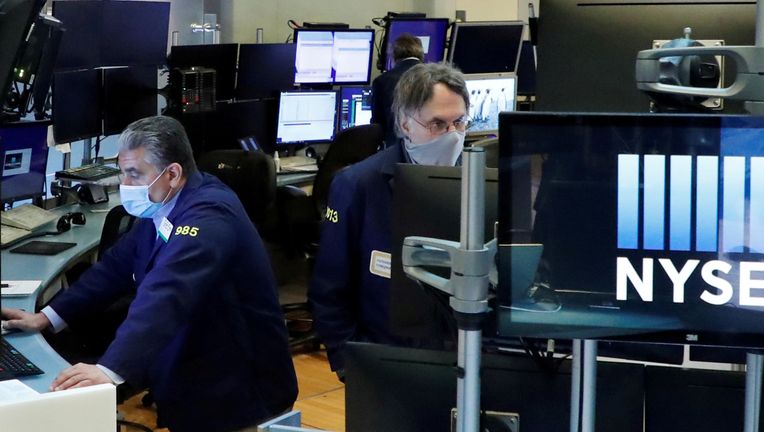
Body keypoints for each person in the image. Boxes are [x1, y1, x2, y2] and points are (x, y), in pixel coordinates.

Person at [1, 116, 297, 432]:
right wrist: (47, 317)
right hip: (192, 372)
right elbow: (115, 267)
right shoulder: (164, 205)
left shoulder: (209, 215)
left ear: (172, 173)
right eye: (123, 173)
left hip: (240, 388)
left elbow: (166, 294)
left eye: (134, 174)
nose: (125, 185)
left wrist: (110, 370)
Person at [309, 63, 470, 377]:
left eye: (459, 122)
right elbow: (329, 289)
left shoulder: (482, 181)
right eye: (437, 124)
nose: (451, 136)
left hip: (464, 359)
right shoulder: (357, 186)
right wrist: (349, 364)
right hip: (384, 361)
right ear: (405, 124)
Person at [371, 33, 424, 148]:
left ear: (394, 57)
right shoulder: (437, 77)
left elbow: (377, 124)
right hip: (431, 146)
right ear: (421, 55)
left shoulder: (382, 81)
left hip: (396, 148)